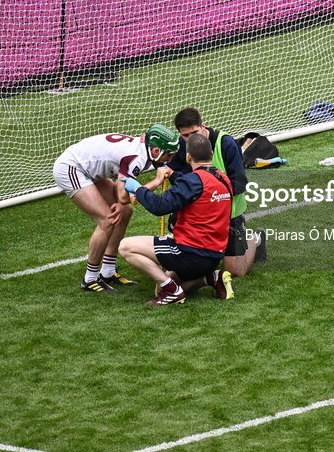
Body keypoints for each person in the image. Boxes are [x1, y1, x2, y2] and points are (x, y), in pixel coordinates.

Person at [52, 124, 179, 293]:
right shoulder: (137, 157)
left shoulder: (141, 150)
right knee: (107, 220)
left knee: (125, 211)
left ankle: (108, 271)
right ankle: (89, 278)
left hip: (87, 168)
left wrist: (122, 203)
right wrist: (156, 181)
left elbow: (123, 198)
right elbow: (123, 196)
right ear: (156, 151)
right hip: (71, 168)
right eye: (169, 154)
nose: (170, 159)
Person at [118, 134, 234, 306]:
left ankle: (171, 290)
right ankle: (211, 277)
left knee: (126, 247)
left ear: (188, 157)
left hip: (190, 254)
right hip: (213, 256)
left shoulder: (192, 181)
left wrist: (138, 189)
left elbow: (160, 206)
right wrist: (172, 175)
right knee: (166, 282)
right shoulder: (223, 178)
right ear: (210, 153)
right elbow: (195, 186)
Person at [167, 107, 265, 278]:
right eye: (185, 136)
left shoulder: (226, 143)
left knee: (235, 271)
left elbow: (240, 182)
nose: (191, 139)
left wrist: (209, 194)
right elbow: (173, 171)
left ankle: (255, 239)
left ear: (203, 126)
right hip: (198, 215)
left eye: (195, 132)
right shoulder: (183, 145)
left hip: (229, 214)